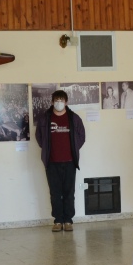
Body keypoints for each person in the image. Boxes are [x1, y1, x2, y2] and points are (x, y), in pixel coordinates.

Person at [35, 90, 86, 231]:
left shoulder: (74, 118)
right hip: (52, 162)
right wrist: (47, 149)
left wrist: (73, 149)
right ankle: (58, 220)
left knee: (69, 192)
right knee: (55, 192)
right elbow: (39, 137)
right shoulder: (45, 119)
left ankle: (68, 220)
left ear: (66, 102)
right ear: (52, 102)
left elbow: (81, 136)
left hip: (70, 161)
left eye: (61, 100)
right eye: (56, 100)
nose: (59, 103)